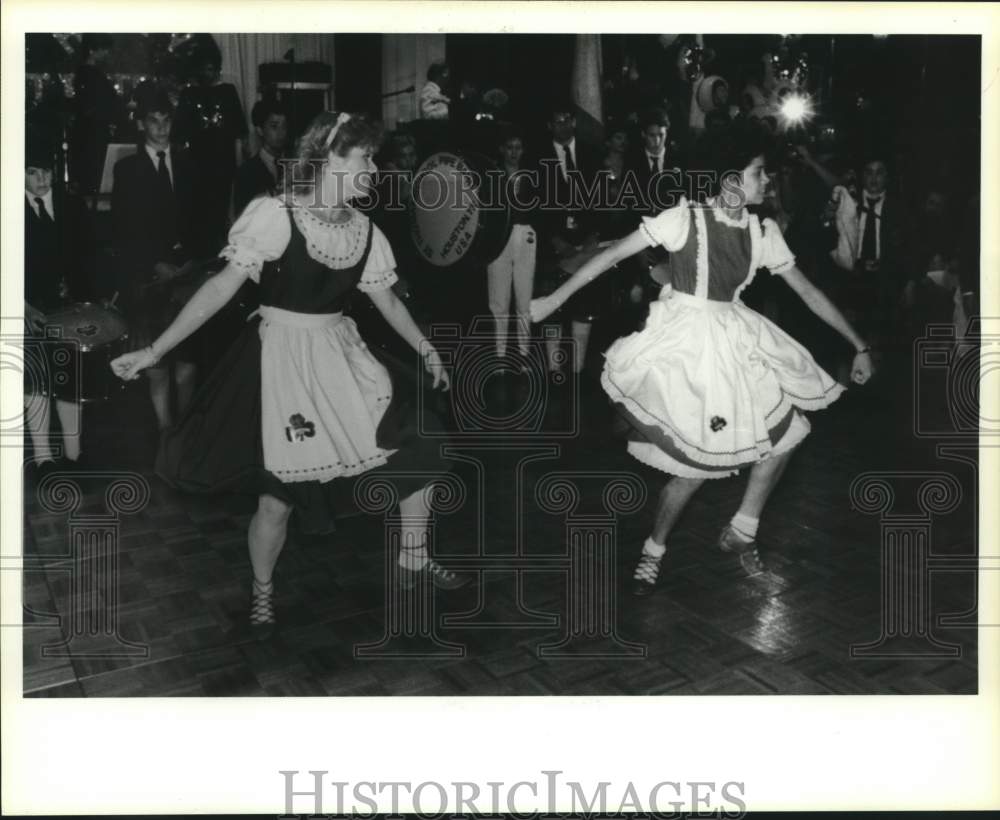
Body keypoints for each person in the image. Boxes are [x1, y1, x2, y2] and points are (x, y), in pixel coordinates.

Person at [111, 111, 470, 635]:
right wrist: (154, 351)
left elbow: (388, 301)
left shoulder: (366, 229)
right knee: (277, 498)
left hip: (340, 355)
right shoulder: (277, 214)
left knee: (423, 441)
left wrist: (426, 348)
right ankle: (262, 591)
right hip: (281, 361)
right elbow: (218, 288)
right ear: (330, 159)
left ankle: (414, 557)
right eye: (365, 156)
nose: (375, 166)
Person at [530, 122, 874, 594]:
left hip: (736, 336)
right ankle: (653, 550)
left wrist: (859, 344)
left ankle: (742, 528)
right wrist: (552, 301)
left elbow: (810, 293)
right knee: (693, 469)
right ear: (732, 181)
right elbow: (609, 256)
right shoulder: (683, 218)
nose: (767, 180)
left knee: (791, 431)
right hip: (689, 344)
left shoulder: (762, 231)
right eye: (758, 173)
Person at [111, 87, 208, 438]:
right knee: (156, 366)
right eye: (154, 121)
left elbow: (203, 220)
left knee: (187, 364)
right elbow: (123, 230)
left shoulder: (190, 165)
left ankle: (186, 432)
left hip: (187, 277)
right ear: (141, 125)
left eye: (167, 120)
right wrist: (155, 264)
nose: (162, 128)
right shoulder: (127, 170)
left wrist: (192, 261)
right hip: (150, 280)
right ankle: (165, 431)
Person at [23, 135, 97, 475]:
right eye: (32, 172)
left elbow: (88, 257)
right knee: (36, 384)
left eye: (46, 171)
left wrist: (89, 299)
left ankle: (74, 454)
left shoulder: (73, 206)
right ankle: (42, 459)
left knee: (69, 380)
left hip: (69, 309)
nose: (41, 179)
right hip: (28, 311)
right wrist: (21, 306)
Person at [172, 36, 248, 248]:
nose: (208, 73)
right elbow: (178, 133)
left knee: (221, 211)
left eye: (212, 69)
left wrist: (240, 160)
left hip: (223, 164)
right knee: (200, 214)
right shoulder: (189, 94)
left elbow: (240, 131)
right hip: (197, 165)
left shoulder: (228, 92)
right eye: (204, 69)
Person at [486, 127, 537, 366]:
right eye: (509, 147)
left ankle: (524, 353)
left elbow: (541, 209)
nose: (514, 152)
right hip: (498, 239)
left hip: (525, 235)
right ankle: (500, 353)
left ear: (523, 150)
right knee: (498, 300)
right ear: (501, 149)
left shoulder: (532, 175)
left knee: (524, 299)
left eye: (518, 148)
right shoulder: (492, 174)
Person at [233, 97, 289, 217]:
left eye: (284, 126)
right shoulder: (246, 172)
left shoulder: (293, 167)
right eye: (274, 126)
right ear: (260, 130)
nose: (281, 133)